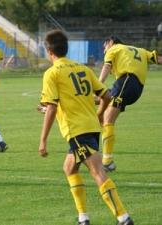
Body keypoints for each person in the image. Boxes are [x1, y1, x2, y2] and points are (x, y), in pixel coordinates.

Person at [38, 30, 134, 225]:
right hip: (90, 126)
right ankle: (83, 218)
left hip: (76, 130)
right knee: (69, 168)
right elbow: (106, 96)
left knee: (98, 172)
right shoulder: (83, 69)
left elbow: (51, 107)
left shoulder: (52, 73)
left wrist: (43, 140)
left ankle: (123, 218)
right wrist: (99, 114)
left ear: (49, 51)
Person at [98, 36, 162, 172]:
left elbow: (106, 65)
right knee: (105, 108)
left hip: (126, 80)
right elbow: (158, 59)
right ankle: (103, 157)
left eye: (104, 47)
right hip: (136, 88)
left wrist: (97, 85)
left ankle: (107, 162)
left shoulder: (114, 48)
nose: (104, 50)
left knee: (107, 120)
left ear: (110, 42)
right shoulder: (140, 50)